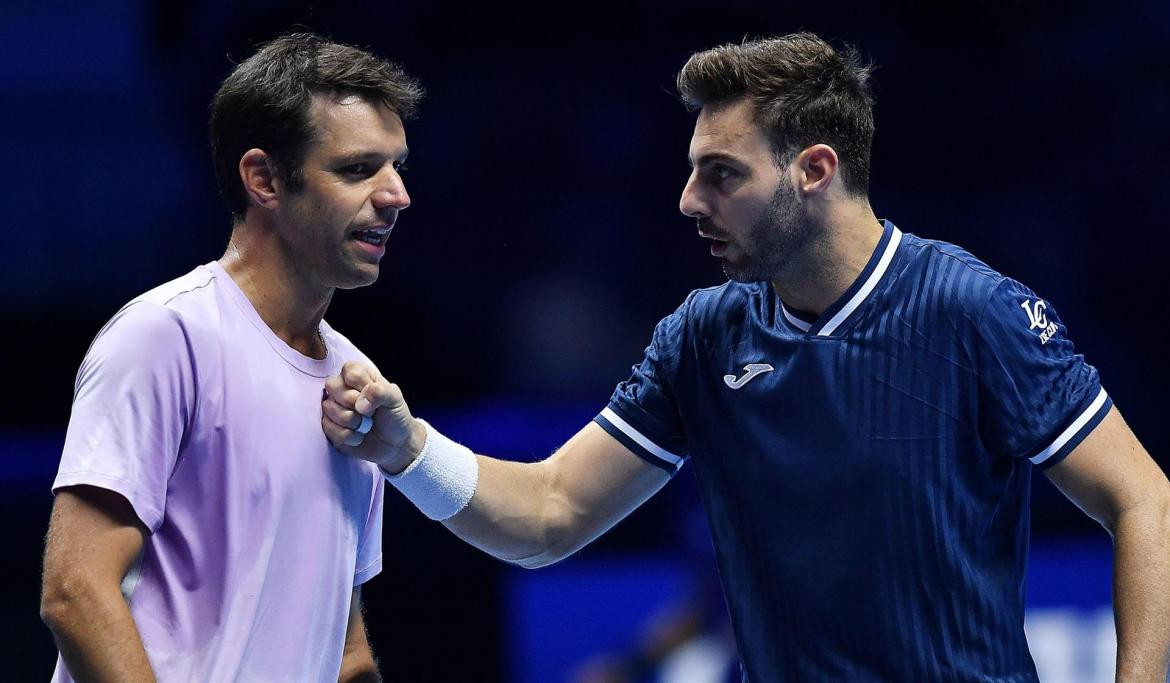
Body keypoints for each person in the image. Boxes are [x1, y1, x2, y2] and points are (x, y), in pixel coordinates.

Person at [321, 32, 1170, 681]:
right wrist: (405, 448)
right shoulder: (702, 335)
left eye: (721, 174)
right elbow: (547, 514)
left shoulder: (973, 311)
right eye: (694, 172)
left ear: (814, 170)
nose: (690, 200)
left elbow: (1142, 498)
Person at [39, 33, 420, 682]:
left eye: (397, 166)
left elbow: (345, 651)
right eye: (358, 169)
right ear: (264, 178)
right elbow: (76, 591)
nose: (396, 195)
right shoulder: (163, 338)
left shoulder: (359, 387)